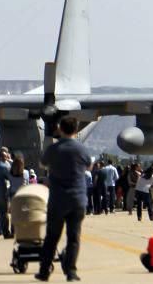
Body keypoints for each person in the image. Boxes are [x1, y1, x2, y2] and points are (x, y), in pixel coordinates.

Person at [35, 117, 93, 283]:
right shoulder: (81, 149)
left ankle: (44, 271)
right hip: (77, 199)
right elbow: (88, 165)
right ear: (76, 130)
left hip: (58, 199)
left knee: (52, 237)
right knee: (73, 237)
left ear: (60, 128)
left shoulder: (54, 149)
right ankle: (71, 272)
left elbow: (43, 163)